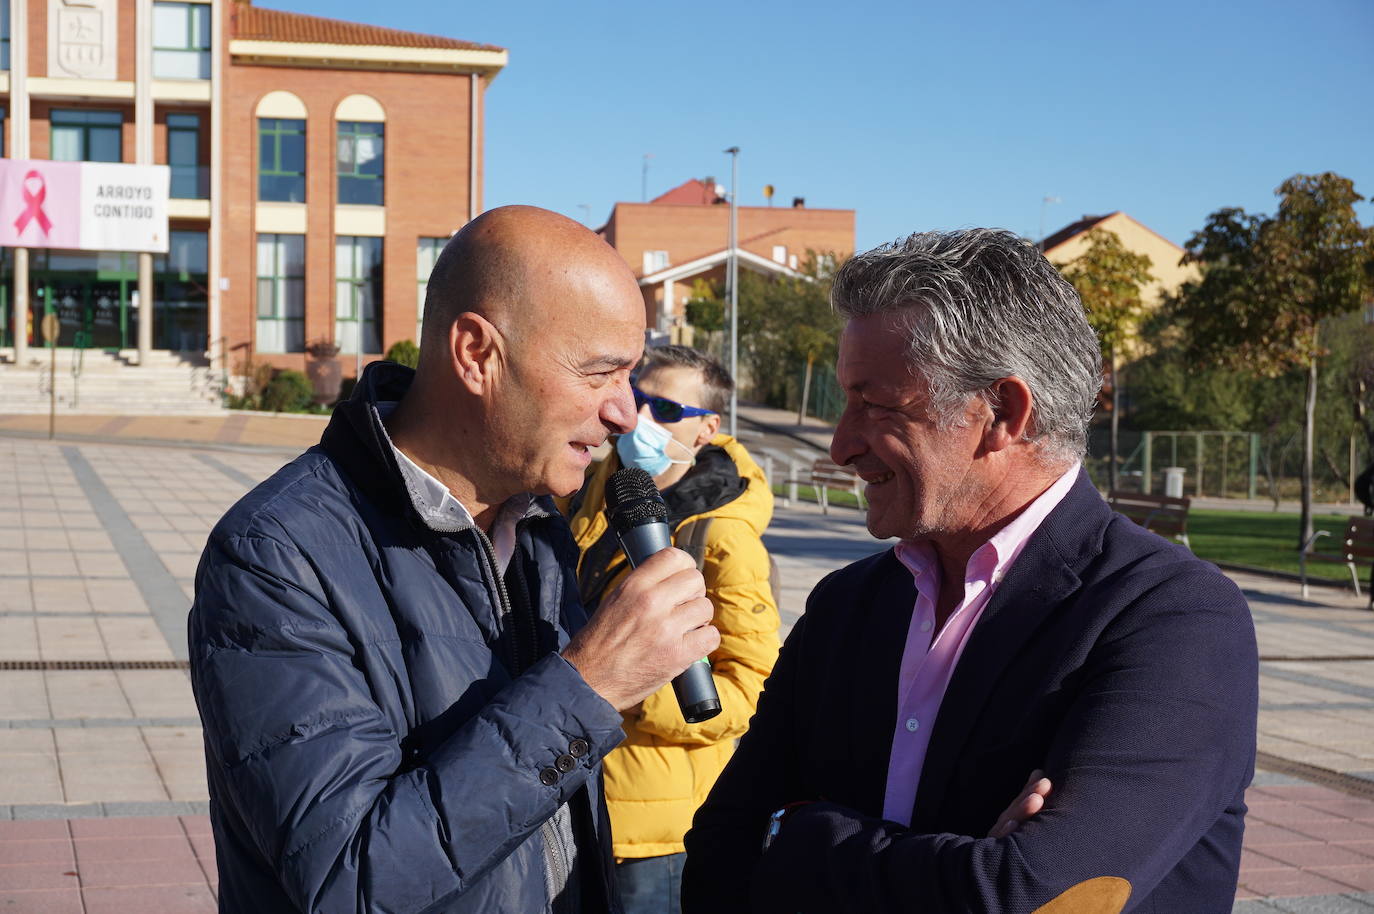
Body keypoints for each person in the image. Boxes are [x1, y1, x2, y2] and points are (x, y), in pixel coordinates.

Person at [682, 228, 1259, 913]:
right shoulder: (848, 606)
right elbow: (718, 855)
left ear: (1001, 413)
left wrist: (798, 834)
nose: (841, 445)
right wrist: (961, 871)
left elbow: (1034, 896)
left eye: (875, 404)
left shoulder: (1172, 619)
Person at [188, 206, 721, 914]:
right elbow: (350, 880)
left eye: (631, 375)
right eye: (601, 372)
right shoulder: (273, 555)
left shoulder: (538, 525)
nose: (626, 412)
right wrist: (588, 684)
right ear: (476, 353)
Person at [562, 345, 780, 914]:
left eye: (666, 409)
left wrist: (625, 688)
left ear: (707, 428)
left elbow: (753, 692)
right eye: (638, 400)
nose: (642, 421)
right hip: (571, 801)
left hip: (654, 834)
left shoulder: (723, 538)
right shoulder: (593, 490)